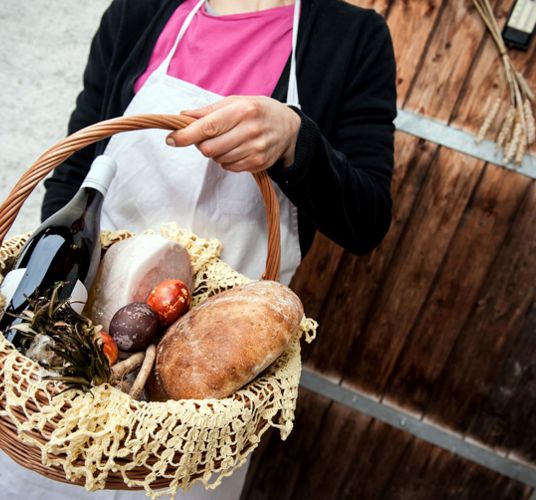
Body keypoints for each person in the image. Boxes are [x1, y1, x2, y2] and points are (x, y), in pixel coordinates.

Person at [2, 0, 396, 498]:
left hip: (200, 415)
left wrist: (297, 140)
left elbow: (367, 222)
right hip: (77, 366)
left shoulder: (355, 38)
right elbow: (75, 173)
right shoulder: (137, 11)